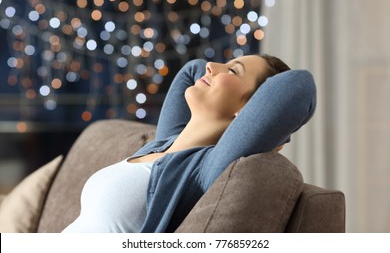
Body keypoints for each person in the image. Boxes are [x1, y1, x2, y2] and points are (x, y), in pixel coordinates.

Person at [62, 54, 316, 233]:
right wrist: (227, 73)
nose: (210, 66)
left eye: (233, 70)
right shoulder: (161, 145)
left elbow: (299, 85)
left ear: (251, 109)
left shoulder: (203, 169)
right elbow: (192, 69)